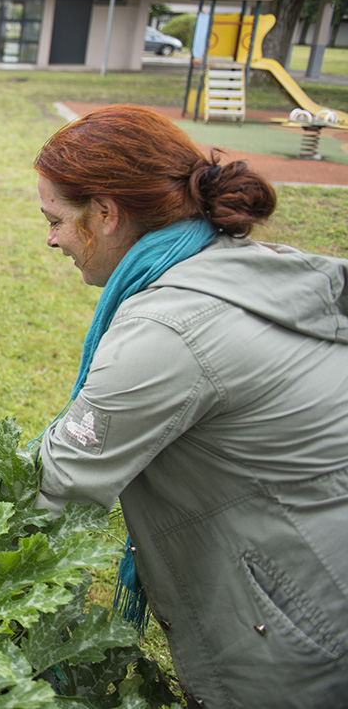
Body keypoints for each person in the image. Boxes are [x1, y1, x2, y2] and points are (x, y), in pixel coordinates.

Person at [33, 104, 348, 708]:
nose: (49, 238)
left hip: (300, 638)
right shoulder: (229, 263)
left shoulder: (169, 331)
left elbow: (58, 482)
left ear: (105, 212)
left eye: (55, 219)